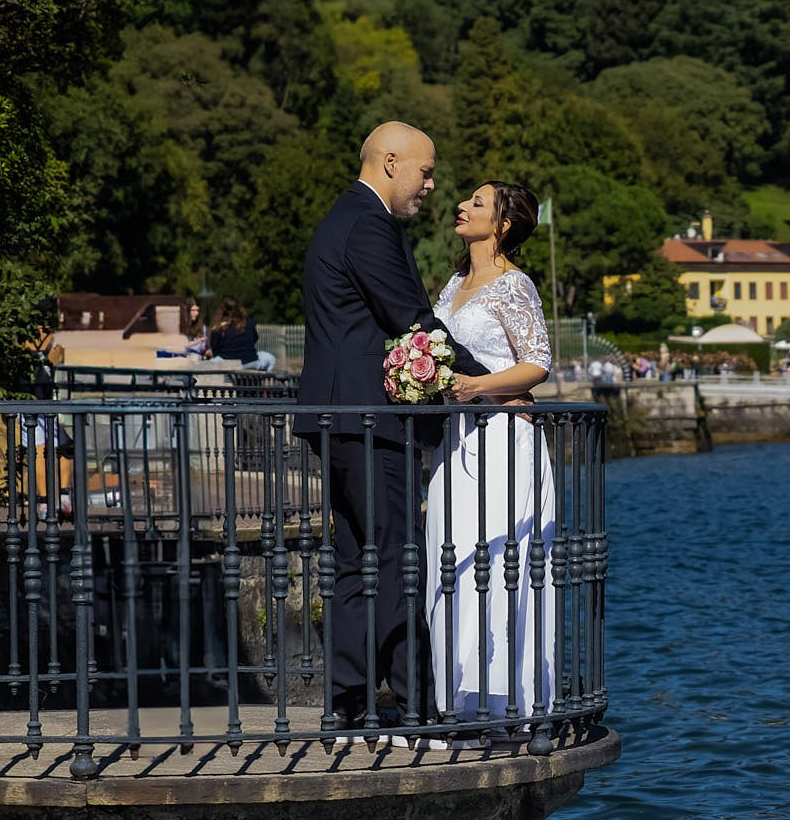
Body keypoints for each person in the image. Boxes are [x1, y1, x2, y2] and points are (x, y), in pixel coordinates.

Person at [298, 121, 482, 727]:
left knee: (359, 561)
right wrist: (491, 385)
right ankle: (411, 704)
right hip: (372, 419)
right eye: (425, 172)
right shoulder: (369, 224)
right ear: (390, 163)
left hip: (344, 414)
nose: (431, 185)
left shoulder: (346, 216)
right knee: (399, 557)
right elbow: (413, 319)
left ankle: (350, 704)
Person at [426, 181, 555, 727]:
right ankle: (455, 694)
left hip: (503, 437)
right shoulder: (454, 282)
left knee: (501, 556)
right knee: (447, 557)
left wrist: (480, 389)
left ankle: (505, 700)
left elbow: (539, 364)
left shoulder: (514, 285)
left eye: (478, 203)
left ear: (503, 224)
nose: (463, 206)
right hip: (453, 439)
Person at [202, 297, 274, 370]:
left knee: (205, 366)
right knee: (271, 358)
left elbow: (215, 350)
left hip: (229, 364)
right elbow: (255, 339)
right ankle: (262, 378)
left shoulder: (219, 327)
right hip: (251, 362)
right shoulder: (249, 322)